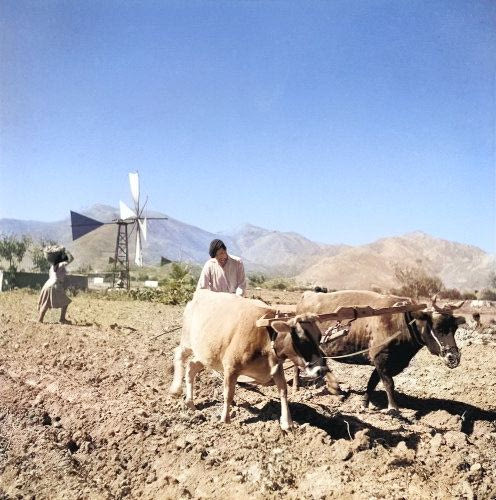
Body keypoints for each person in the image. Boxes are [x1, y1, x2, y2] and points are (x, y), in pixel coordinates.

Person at [38, 247, 74, 323]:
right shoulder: (60, 264)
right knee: (65, 302)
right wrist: (66, 251)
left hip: (47, 284)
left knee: (46, 303)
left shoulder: (51, 267)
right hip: (55, 284)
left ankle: (40, 320)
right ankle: (62, 319)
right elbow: (71, 259)